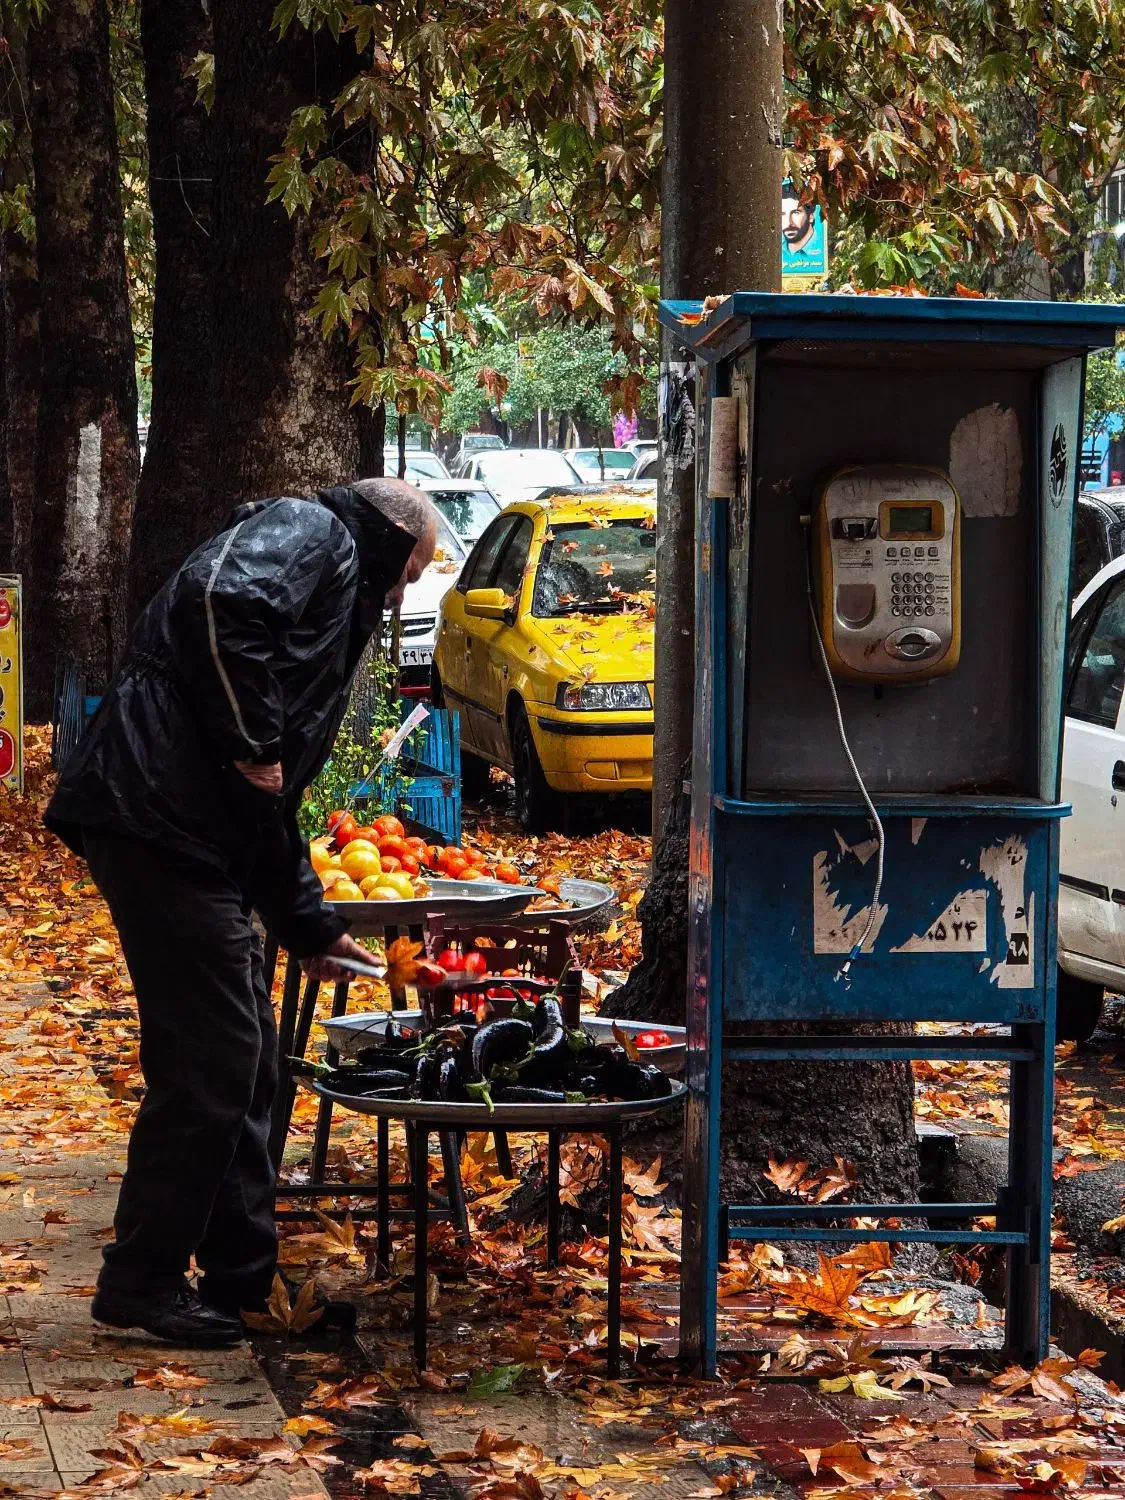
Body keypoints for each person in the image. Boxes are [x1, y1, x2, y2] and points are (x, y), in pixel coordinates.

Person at [45, 478, 438, 1346]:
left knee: (247, 1060)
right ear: (390, 535)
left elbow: (265, 805)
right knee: (218, 1063)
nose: (402, 593)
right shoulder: (318, 532)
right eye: (409, 571)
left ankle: (241, 1283)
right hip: (159, 825)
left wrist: (311, 926)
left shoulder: (326, 567)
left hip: (181, 828)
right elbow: (217, 601)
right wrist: (253, 738)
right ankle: (141, 1283)